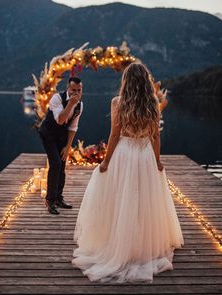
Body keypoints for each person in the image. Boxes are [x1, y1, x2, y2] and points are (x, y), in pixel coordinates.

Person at [72, 63, 184, 283]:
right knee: (143, 201)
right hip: (144, 155)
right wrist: (158, 161)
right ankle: (142, 245)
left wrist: (105, 162)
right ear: (145, 81)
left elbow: (114, 136)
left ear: (126, 81)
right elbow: (155, 137)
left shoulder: (118, 102)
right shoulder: (153, 103)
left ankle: (121, 244)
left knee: (121, 199)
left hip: (124, 154)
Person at [39, 77, 83, 215]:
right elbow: (60, 120)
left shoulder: (80, 105)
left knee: (62, 164)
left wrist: (68, 146)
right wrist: (70, 104)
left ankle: (58, 198)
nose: (76, 93)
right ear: (68, 88)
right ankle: (50, 200)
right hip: (49, 134)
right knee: (55, 164)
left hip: (62, 136)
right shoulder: (57, 98)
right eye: (73, 90)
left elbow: (73, 127)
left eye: (79, 90)